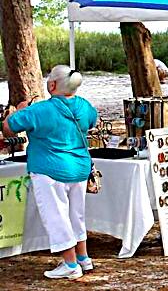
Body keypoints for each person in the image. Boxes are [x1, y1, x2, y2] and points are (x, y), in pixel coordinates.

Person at [2, 66, 98, 279]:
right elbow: (92, 121)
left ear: (52, 85)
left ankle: (70, 264)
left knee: (56, 216)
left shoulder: (39, 110)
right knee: (76, 215)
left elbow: (8, 129)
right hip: (79, 168)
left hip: (49, 169)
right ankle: (83, 258)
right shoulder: (84, 105)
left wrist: (17, 111)